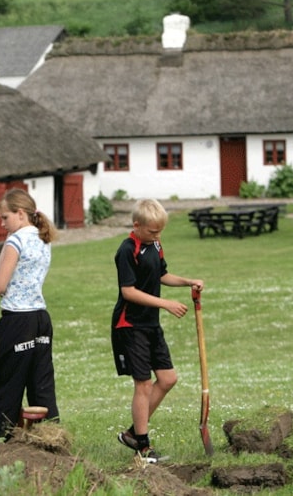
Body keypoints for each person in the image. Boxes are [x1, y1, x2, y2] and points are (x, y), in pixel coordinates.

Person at [111, 198, 204, 462]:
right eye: (152, 231)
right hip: (130, 325)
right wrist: (165, 304)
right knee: (142, 384)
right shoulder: (126, 250)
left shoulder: (155, 245)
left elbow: (162, 275)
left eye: (160, 231)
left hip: (151, 325)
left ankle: (132, 433)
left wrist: (188, 281)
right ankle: (143, 445)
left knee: (168, 379)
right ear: (136, 225)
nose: (157, 236)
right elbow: (128, 291)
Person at [0, 188, 59, 440]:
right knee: (41, 383)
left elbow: (0, 285)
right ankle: (49, 435)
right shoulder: (42, 238)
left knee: (7, 382)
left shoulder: (15, 241)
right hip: (40, 317)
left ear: (20, 213)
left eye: (5, 217)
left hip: (16, 318)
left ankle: (0, 434)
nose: (2, 223)